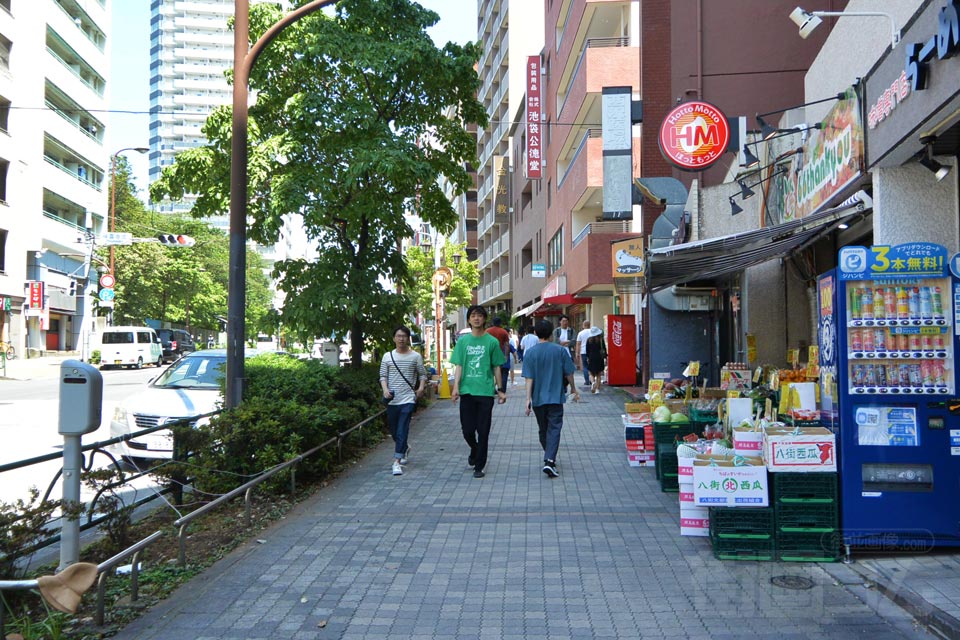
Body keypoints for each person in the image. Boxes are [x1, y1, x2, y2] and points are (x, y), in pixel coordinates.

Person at [451, 306, 507, 478]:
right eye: (473, 316)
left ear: (484, 319)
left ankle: (479, 466)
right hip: (467, 391)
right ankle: (474, 450)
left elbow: (497, 366)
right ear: (468, 320)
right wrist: (455, 387)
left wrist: (501, 389)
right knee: (467, 430)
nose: (476, 319)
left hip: (485, 392)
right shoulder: (463, 342)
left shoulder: (491, 342)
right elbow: (459, 365)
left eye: (480, 316)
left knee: (483, 430)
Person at [522, 319, 580, 478]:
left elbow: (529, 378)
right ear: (551, 333)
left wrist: (527, 399)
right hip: (555, 397)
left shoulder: (530, 353)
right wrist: (574, 389)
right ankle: (549, 459)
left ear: (536, 333)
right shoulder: (560, 351)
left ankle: (549, 457)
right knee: (554, 429)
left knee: (543, 428)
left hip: (538, 399)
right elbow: (569, 372)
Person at [379, 326, 427, 476]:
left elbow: (422, 375)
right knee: (394, 431)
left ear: (408, 338)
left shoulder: (415, 356)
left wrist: (420, 389)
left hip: (408, 399)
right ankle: (404, 447)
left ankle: (396, 461)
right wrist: (385, 389)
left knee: (402, 429)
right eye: (398, 336)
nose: (401, 339)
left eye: (404, 336)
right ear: (394, 338)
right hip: (392, 399)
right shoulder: (387, 356)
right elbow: (382, 376)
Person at [485, 316, 511, 393]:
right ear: (500, 323)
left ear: (493, 323)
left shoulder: (487, 331)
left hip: (488, 353)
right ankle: (500, 388)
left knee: (489, 372)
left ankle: (491, 388)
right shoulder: (503, 332)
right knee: (499, 371)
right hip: (499, 354)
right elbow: (507, 345)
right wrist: (506, 356)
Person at [585, 326, 607, 394]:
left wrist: (588, 357)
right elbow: (604, 349)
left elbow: (587, 350)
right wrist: (605, 357)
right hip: (599, 358)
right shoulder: (600, 340)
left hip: (591, 357)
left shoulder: (588, 340)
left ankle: (593, 382)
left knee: (591, 373)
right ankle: (597, 389)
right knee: (599, 374)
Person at [574, 320, 592, 388]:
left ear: (583, 325)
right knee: (592, 366)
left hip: (583, 351)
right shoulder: (592, 332)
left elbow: (578, 344)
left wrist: (577, 353)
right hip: (592, 352)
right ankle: (593, 380)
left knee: (585, 366)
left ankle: (587, 381)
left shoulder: (581, 333)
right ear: (590, 325)